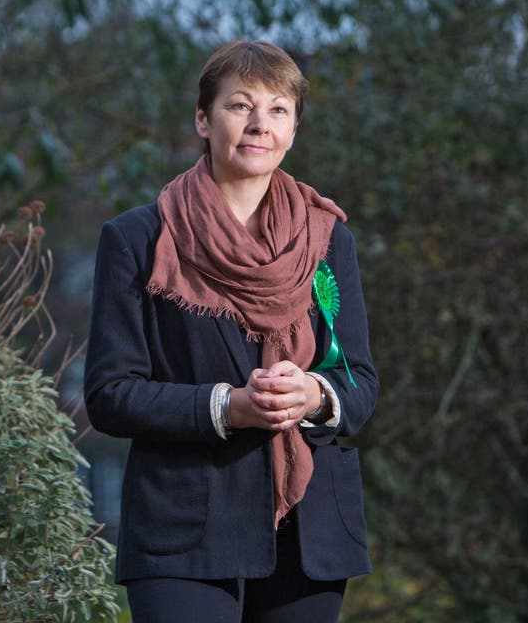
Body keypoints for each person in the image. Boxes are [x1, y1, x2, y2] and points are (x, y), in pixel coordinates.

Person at [84, 40, 379, 623]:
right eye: (239, 106)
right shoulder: (138, 240)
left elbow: (360, 383)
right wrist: (228, 407)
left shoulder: (327, 241)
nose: (258, 124)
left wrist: (315, 395)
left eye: (277, 110)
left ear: (293, 129)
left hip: (311, 535)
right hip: (182, 531)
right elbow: (110, 394)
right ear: (203, 119)